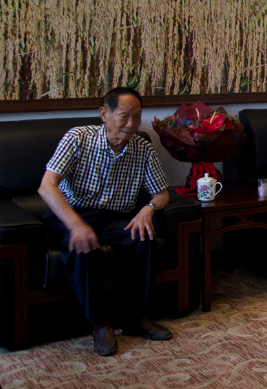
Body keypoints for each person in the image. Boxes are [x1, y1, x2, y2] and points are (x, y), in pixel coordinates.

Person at [38, 87, 174, 356]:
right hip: (71, 213)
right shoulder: (78, 138)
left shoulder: (142, 148)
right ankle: (100, 322)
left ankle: (136, 316)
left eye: (137, 116)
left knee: (142, 236)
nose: (132, 124)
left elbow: (161, 194)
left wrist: (148, 210)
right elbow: (47, 186)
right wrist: (76, 225)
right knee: (82, 247)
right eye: (124, 116)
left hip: (114, 217)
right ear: (104, 114)